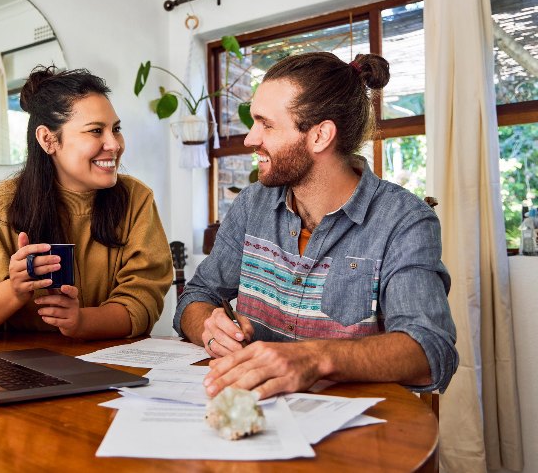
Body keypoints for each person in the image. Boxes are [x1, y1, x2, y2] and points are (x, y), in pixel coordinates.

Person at [173, 52, 458, 399]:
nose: (250, 139)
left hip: (358, 427)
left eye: (266, 124)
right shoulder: (251, 204)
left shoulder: (404, 221)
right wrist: (209, 327)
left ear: (320, 136)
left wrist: (314, 358)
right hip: (254, 414)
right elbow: (197, 295)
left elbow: (430, 350)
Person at [0, 65, 172, 339]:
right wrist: (15, 289)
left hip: (107, 358)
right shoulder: (0, 205)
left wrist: (81, 321)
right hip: (17, 361)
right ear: (48, 139)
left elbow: (143, 302)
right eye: (96, 131)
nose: (114, 144)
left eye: (116, 129)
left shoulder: (136, 199)